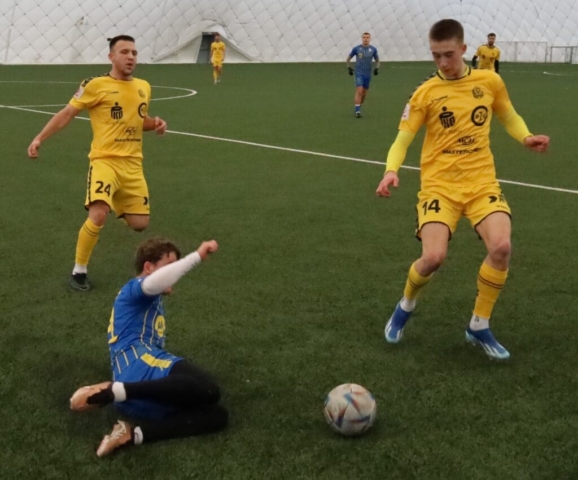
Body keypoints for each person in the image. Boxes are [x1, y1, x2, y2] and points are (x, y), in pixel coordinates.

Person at [375, 19, 549, 360]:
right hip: (439, 187)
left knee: (501, 247)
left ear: (464, 50)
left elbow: (508, 115)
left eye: (449, 55)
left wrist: (526, 137)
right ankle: (406, 304)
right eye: (436, 55)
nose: (442, 63)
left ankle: (479, 324)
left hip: (481, 182)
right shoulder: (424, 93)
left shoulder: (489, 81)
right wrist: (390, 170)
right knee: (433, 258)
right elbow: (403, 139)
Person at [27, 35, 167, 292]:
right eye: (124, 52)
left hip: (133, 165)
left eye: (134, 53)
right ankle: (79, 271)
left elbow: (139, 120)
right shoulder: (94, 84)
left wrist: (155, 123)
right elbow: (67, 113)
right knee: (99, 213)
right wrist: (39, 138)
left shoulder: (144, 87)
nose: (130, 57)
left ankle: (114, 200)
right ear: (111, 57)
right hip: (104, 162)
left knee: (140, 224)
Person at [69, 237, 228, 457]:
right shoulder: (134, 288)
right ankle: (115, 390)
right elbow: (151, 283)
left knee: (217, 415)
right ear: (148, 267)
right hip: (138, 364)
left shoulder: (147, 299)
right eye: (169, 265)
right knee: (208, 388)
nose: (173, 273)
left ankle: (131, 434)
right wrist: (197, 256)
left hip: (140, 395)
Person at [346, 33, 380, 118]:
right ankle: (357, 111)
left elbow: (377, 60)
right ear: (362, 38)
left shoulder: (373, 49)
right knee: (359, 91)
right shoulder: (357, 49)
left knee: (364, 93)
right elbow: (348, 58)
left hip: (367, 74)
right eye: (364, 37)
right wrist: (349, 67)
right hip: (359, 73)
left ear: (370, 39)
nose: (365, 39)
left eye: (367, 37)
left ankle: (358, 106)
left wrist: (376, 68)